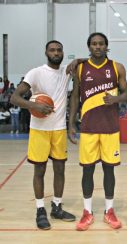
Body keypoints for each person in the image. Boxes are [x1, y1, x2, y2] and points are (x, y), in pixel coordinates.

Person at [10, 40, 82, 230]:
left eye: (59, 50)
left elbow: (89, 60)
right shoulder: (36, 73)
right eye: (52, 50)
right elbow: (14, 97)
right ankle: (40, 209)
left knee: (60, 170)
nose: (56, 52)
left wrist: (78, 61)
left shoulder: (67, 71)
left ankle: (57, 206)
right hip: (39, 130)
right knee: (39, 171)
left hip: (59, 129)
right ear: (46, 52)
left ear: (63, 52)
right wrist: (34, 105)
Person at [68, 32, 127, 231]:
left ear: (106, 46)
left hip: (110, 128)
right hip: (88, 128)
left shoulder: (117, 67)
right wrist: (71, 124)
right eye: (94, 44)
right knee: (88, 170)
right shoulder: (80, 68)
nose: (98, 47)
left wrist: (117, 99)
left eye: (101, 44)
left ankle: (109, 211)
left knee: (109, 169)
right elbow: (75, 97)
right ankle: (87, 212)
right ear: (89, 47)